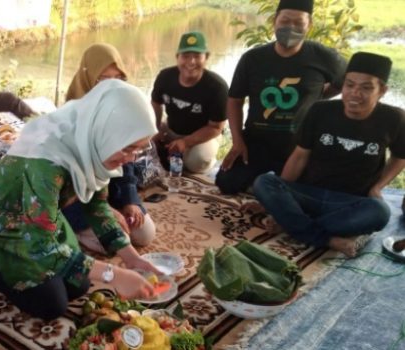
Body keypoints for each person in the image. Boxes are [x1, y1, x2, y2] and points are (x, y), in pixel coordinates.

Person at [0, 79, 158, 320]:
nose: (130, 159)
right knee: (52, 305)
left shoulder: (91, 140)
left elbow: (96, 205)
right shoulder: (46, 161)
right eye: (127, 148)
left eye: (138, 149)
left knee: (79, 285)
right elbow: (42, 245)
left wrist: (132, 259)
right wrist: (113, 275)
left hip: (37, 215)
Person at [252, 52, 405, 258]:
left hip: (350, 201)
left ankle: (293, 224)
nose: (354, 93)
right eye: (349, 85)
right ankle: (326, 237)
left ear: (382, 91)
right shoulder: (320, 110)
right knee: (265, 182)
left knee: (379, 212)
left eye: (366, 88)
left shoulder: (393, 118)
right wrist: (280, 196)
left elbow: (400, 157)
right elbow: (299, 156)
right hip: (309, 193)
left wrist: (378, 186)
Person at [216, 0, 346, 194]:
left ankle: (271, 185)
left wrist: (319, 96)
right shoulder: (253, 58)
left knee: (311, 189)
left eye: (298, 22)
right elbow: (235, 100)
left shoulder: (324, 57)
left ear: (309, 25)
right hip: (257, 141)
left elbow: (346, 82)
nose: (291, 27)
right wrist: (237, 140)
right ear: (274, 21)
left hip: (300, 146)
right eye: (285, 21)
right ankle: (266, 185)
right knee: (226, 182)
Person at [63, 42, 156, 250]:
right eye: (104, 79)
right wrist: (103, 208)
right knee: (113, 242)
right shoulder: (70, 116)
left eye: (118, 78)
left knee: (145, 234)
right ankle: (71, 228)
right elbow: (69, 180)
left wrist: (129, 200)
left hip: (110, 190)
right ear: (88, 77)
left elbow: (128, 161)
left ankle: (106, 219)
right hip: (75, 197)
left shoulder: (121, 106)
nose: (112, 85)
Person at [151, 31, 228, 174]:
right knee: (144, 143)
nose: (191, 62)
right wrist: (155, 129)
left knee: (198, 161)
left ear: (206, 58)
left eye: (197, 56)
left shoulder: (217, 87)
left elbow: (216, 127)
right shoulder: (165, 77)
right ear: (177, 58)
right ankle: (173, 156)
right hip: (171, 129)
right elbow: (155, 103)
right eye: (185, 56)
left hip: (204, 136)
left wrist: (185, 142)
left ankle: (195, 161)